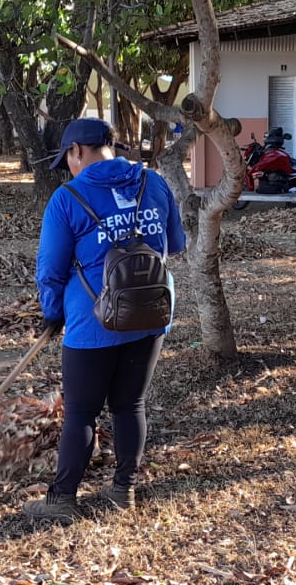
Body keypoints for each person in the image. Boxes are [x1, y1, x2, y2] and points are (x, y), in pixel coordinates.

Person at [26, 118, 186, 522]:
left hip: (91, 322)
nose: (69, 167)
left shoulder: (67, 198)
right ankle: (122, 491)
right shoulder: (154, 183)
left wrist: (52, 313)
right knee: (131, 404)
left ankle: (62, 500)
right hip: (150, 311)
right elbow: (176, 244)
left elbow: (50, 270)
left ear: (77, 151)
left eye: (67, 159)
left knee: (81, 412)